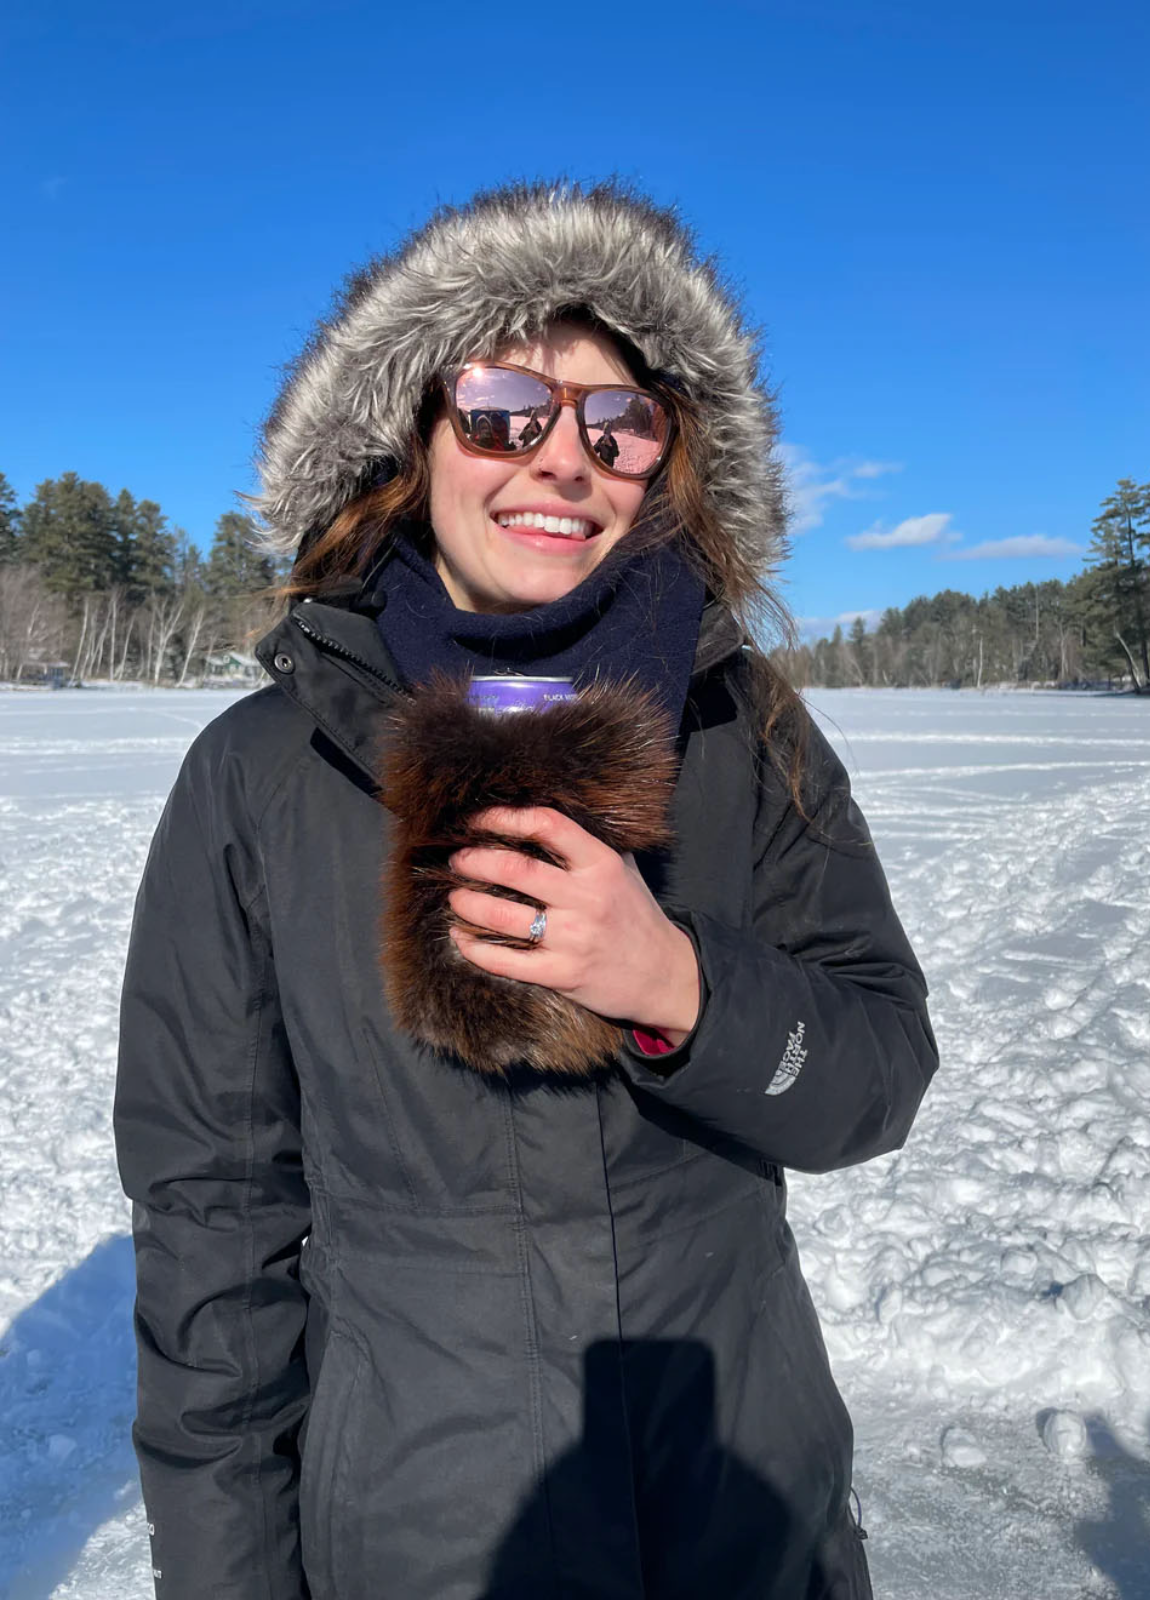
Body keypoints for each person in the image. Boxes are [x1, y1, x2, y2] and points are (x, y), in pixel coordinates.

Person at [113, 180, 938, 1600]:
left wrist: (680, 987)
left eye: (620, 422)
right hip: (425, 1537)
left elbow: (874, 1079)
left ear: (667, 458)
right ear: (410, 439)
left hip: (743, 1515)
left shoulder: (747, 731)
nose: (566, 460)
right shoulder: (263, 772)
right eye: (503, 410)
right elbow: (214, 1226)